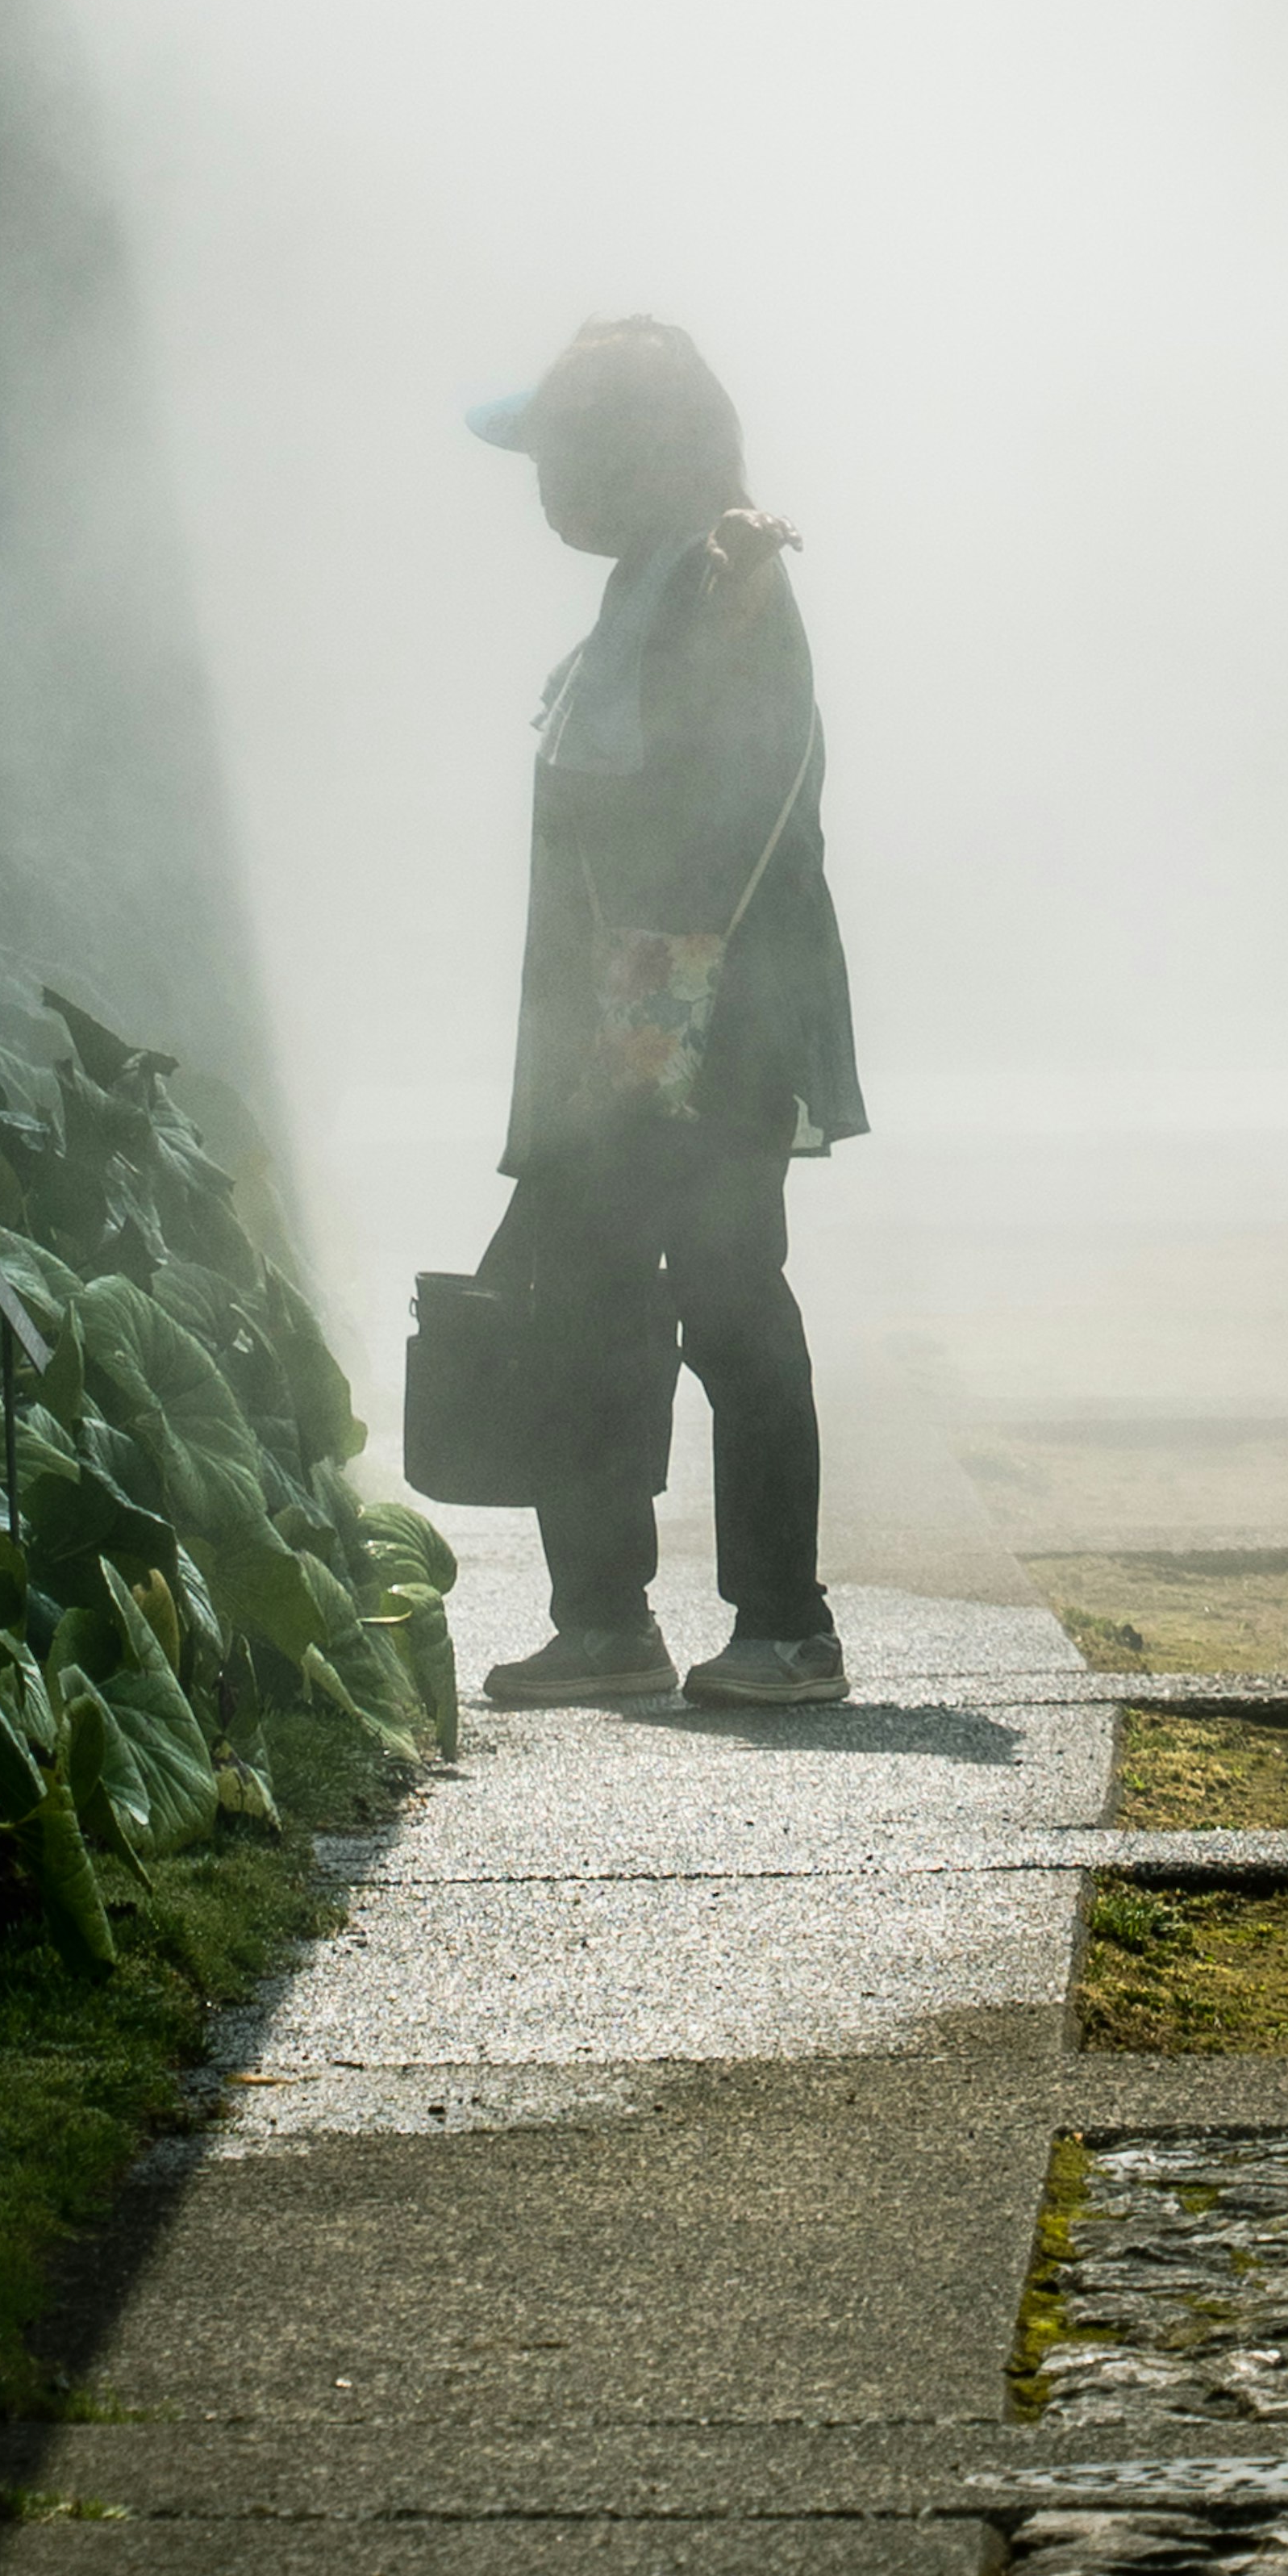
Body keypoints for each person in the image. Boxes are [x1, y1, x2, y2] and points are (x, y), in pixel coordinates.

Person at [462, 316, 865, 1707]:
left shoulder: (714, 575)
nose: (543, 486)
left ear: (630, 455)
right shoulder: (645, 585)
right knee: (581, 1302)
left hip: (714, 1026)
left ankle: (784, 1624)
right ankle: (603, 1619)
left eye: (560, 455)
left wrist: (650, 1027)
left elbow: (738, 822)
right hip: (610, 1041)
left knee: (728, 1299)